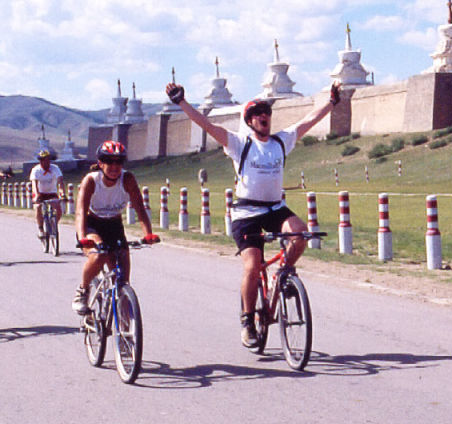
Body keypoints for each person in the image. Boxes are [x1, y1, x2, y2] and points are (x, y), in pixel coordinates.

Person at [165, 80, 341, 347]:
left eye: (267, 113)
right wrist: (181, 102)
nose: (264, 117)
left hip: (274, 208)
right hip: (246, 213)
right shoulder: (238, 144)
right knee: (252, 265)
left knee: (301, 235)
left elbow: (309, 121)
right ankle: (248, 320)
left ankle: (284, 273)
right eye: (258, 114)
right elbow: (206, 124)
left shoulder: (281, 141)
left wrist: (331, 102)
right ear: (249, 121)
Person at [72, 141, 159, 315]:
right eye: (109, 161)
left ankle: (127, 331)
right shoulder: (91, 181)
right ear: (100, 163)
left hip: (114, 226)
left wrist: (148, 234)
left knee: (123, 281)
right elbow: (81, 211)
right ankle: (82, 291)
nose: (114, 166)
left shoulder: (127, 179)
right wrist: (83, 238)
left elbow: (140, 208)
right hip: (92, 226)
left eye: (118, 162)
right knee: (99, 256)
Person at [29, 150, 65, 241]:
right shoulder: (36, 170)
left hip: (51, 193)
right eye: (43, 160)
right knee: (38, 207)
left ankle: (53, 225)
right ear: (40, 161)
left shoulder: (55, 168)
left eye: (47, 160)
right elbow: (34, 184)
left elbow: (60, 181)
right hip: (40, 193)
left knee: (59, 210)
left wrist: (62, 193)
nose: (45, 162)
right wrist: (36, 195)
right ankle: (41, 229)